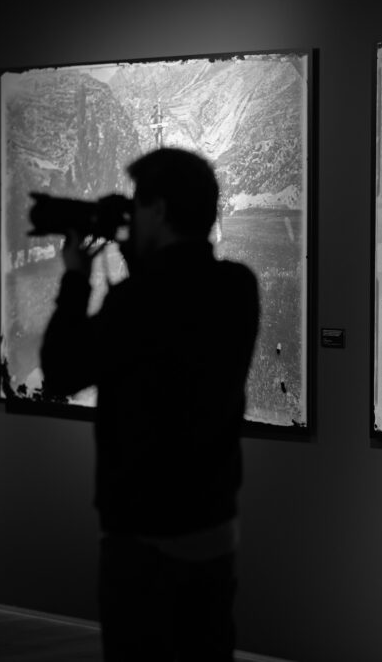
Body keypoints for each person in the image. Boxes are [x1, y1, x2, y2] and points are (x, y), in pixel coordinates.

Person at [40, 148, 260, 662]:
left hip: (143, 541)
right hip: (212, 532)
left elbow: (60, 371)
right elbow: (172, 293)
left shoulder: (134, 304)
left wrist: (76, 276)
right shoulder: (237, 288)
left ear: (159, 209)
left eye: (139, 204)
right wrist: (139, 247)